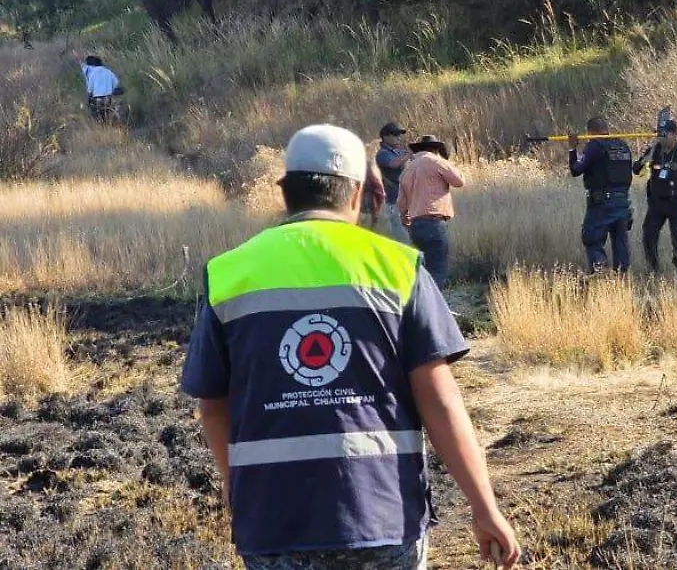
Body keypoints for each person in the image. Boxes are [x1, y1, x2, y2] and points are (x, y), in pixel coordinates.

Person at [181, 124, 519, 570]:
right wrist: (483, 506)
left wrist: (237, 486)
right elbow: (439, 400)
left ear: (285, 192)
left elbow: (212, 404)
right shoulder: (398, 268)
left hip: (272, 523)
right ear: (357, 193)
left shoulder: (228, 274)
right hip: (381, 516)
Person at [633, 117, 677, 272]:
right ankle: (653, 269)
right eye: (659, 134)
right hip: (657, 203)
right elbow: (636, 170)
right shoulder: (654, 151)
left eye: (665, 134)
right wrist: (646, 157)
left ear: (674, 134)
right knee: (648, 236)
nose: (661, 137)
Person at [399, 135, 465, 290]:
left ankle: (420, 308)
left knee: (422, 271)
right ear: (435, 149)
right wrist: (447, 163)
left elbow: (401, 203)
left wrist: (406, 219)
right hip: (434, 223)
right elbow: (459, 181)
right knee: (437, 269)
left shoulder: (407, 169)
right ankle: (435, 309)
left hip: (415, 226)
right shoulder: (436, 162)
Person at [568, 117, 633, 274]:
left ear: (590, 132)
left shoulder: (595, 146)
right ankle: (622, 278)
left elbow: (576, 169)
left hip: (602, 203)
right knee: (620, 243)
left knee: (592, 238)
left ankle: (600, 271)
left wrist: (572, 149)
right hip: (623, 202)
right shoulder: (622, 146)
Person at [376, 122, 411, 242]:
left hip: (403, 198)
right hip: (392, 200)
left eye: (399, 135)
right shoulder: (383, 154)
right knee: (399, 235)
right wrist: (408, 155)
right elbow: (394, 164)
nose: (398, 137)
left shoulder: (398, 152)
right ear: (385, 137)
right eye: (395, 134)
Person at [79, 54, 122, 122]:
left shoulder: (92, 73)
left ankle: (98, 123)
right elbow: (116, 82)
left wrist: (88, 99)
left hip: (97, 99)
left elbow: (90, 89)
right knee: (110, 109)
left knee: (94, 111)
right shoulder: (108, 71)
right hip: (108, 98)